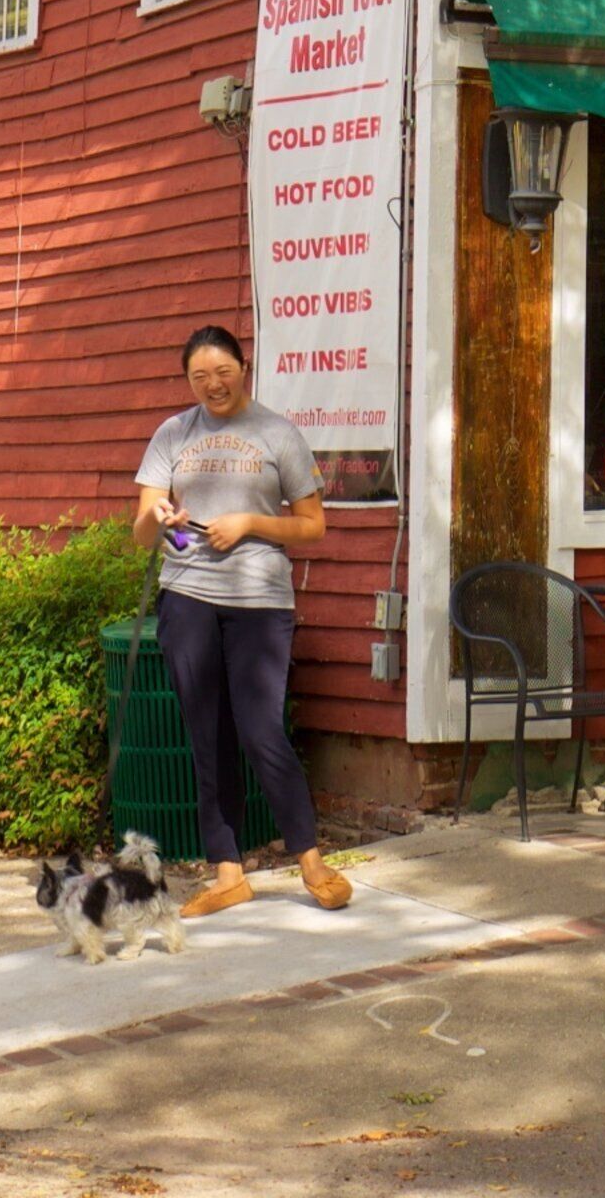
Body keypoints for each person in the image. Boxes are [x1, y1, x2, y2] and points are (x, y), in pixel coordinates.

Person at [133, 324, 350, 916]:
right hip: (188, 594)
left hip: (259, 600)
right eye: (199, 377)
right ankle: (227, 873)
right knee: (208, 737)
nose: (212, 386)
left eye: (221, 373)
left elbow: (313, 525)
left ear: (242, 368)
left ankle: (310, 860)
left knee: (261, 731)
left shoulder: (277, 433)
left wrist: (249, 523)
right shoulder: (173, 434)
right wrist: (160, 514)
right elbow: (142, 530)